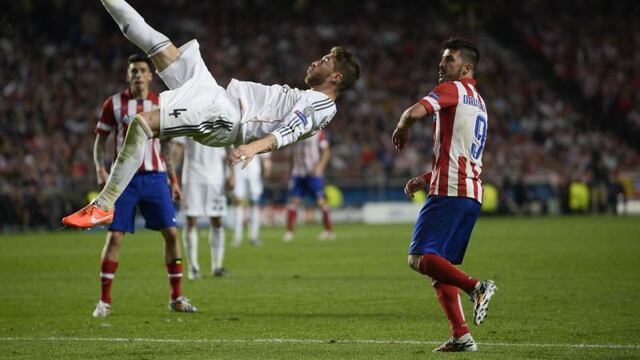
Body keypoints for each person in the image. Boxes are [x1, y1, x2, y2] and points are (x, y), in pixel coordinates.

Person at [62, 0, 360, 228]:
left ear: (335, 78)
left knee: (141, 124)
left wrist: (252, 148)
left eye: (323, 61)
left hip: (225, 117)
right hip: (218, 96)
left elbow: (290, 130)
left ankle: (104, 205)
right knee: (153, 41)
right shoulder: (308, 96)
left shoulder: (322, 106)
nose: (314, 62)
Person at [392, 37, 496, 352]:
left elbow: (415, 111)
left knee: (419, 258)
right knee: (440, 268)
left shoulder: (452, 90)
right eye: (442, 58)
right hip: (470, 192)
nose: (442, 63)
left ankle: (476, 287)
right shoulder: (479, 102)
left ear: (466, 67)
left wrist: (402, 126)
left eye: (449, 59)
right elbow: (462, 152)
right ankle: (461, 336)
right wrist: (426, 177)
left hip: (450, 192)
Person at [91, 54, 197, 318]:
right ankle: (104, 301)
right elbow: (100, 141)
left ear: (151, 75)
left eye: (142, 70)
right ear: (128, 75)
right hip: (124, 181)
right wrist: (100, 167)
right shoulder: (113, 104)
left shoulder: (161, 103)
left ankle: (176, 297)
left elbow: (167, 145)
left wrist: (173, 179)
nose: (138, 75)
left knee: (172, 234)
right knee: (115, 236)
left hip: (155, 178)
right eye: (133, 71)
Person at [173, 137, 231, 279]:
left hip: (216, 177)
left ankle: (217, 266)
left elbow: (229, 146)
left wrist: (232, 174)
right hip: (193, 175)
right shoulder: (187, 115)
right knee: (191, 219)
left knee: (217, 219)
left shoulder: (222, 115)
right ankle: (193, 267)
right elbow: (179, 146)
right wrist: (172, 176)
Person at [283, 130, 334, 242]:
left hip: (313, 173)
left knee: (321, 202)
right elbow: (292, 155)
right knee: (293, 202)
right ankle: (289, 232)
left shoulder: (318, 132)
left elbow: (326, 152)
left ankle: (328, 231)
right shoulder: (295, 131)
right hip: (298, 173)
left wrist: (320, 167)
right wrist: (290, 171)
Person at [231, 153, 271, 247]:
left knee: (255, 202)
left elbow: (264, 151)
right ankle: (237, 237)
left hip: (253, 169)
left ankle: (254, 236)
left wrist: (267, 166)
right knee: (238, 202)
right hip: (238, 169)